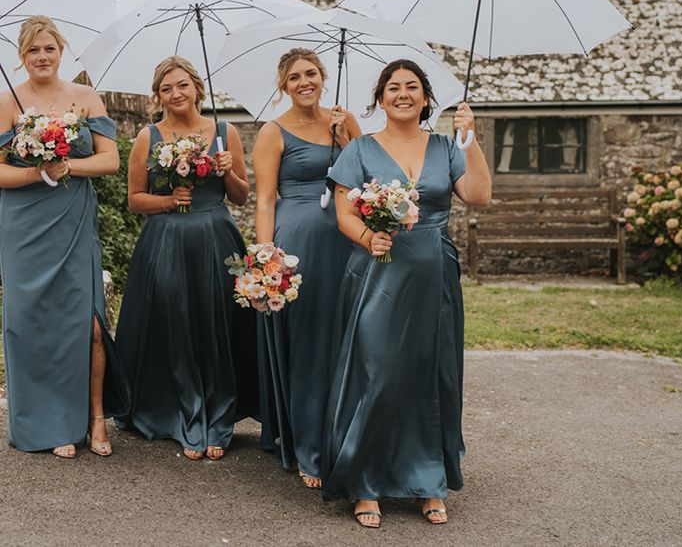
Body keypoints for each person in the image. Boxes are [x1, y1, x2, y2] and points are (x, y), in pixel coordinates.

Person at [322, 59, 492, 528]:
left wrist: (469, 138)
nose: (403, 94)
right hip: (377, 271)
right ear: (379, 98)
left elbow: (478, 195)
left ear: (425, 97)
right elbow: (344, 215)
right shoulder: (358, 149)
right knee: (376, 372)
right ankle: (366, 482)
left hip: (434, 273)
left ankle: (427, 482)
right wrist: (367, 237)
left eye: (412, 87)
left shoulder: (446, 146)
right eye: (393, 87)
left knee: (428, 374)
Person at [0, 15, 127, 457]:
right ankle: (48, 423)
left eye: (49, 48)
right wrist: (37, 171)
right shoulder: (7, 100)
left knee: (88, 325)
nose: (41, 57)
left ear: (61, 51)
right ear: (21, 56)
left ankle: (94, 419)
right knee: (31, 323)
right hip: (24, 223)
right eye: (33, 50)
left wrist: (67, 165)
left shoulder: (85, 97)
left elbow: (110, 161)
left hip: (73, 218)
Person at [114, 56, 250, 460]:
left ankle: (219, 415)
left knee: (216, 324)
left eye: (183, 85)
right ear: (158, 96)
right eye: (167, 88)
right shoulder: (147, 136)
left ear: (197, 88)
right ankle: (183, 414)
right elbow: (135, 200)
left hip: (216, 238)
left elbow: (241, 196)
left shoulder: (226, 132)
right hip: (166, 240)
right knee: (176, 324)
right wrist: (168, 201)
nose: (176, 94)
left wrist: (227, 171)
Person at [252, 48, 361, 487]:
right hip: (297, 245)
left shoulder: (344, 120)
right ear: (284, 84)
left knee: (344, 335)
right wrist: (264, 258)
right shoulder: (272, 132)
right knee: (309, 339)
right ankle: (307, 443)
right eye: (294, 76)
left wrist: (346, 137)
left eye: (311, 74)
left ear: (324, 77)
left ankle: (345, 434)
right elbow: (264, 198)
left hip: (345, 240)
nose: (304, 82)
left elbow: (367, 174)